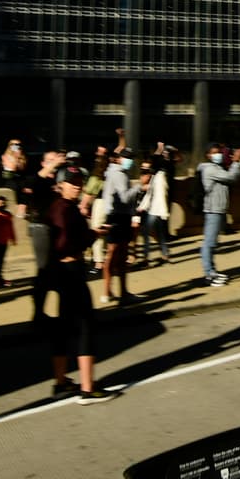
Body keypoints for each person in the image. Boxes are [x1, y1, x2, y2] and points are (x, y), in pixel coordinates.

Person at [44, 165, 119, 404]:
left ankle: (60, 382)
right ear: (60, 184)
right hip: (71, 269)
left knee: (63, 325)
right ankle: (87, 388)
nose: (76, 185)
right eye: (71, 182)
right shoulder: (65, 210)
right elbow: (66, 242)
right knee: (87, 324)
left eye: (78, 181)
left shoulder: (58, 206)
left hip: (61, 271)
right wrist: (92, 235)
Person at [99, 147, 143, 303]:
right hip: (119, 217)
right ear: (119, 158)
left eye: (131, 157)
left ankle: (109, 292)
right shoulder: (119, 174)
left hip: (116, 216)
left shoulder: (115, 172)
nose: (130, 161)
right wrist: (139, 187)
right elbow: (124, 198)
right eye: (127, 157)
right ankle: (118, 292)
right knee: (116, 255)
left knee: (114, 255)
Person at [196, 143, 240, 286]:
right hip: (213, 210)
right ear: (208, 155)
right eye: (214, 153)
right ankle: (209, 274)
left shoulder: (216, 167)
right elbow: (231, 177)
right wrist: (236, 161)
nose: (217, 155)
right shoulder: (210, 169)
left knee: (212, 243)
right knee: (208, 243)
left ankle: (212, 271)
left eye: (219, 152)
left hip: (218, 209)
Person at [137, 154, 172, 265]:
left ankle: (146, 258)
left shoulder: (160, 177)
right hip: (155, 209)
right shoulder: (156, 176)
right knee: (160, 234)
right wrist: (142, 206)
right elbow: (150, 194)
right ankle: (165, 255)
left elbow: (162, 195)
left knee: (146, 232)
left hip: (156, 210)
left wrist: (163, 211)